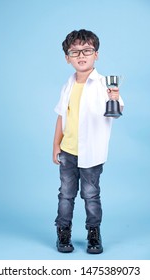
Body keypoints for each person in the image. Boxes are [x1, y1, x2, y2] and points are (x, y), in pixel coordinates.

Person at [52, 29, 124, 254]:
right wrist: (56, 145)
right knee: (66, 194)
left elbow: (116, 110)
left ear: (96, 54)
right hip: (68, 152)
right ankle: (63, 231)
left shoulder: (105, 84)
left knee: (91, 195)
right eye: (75, 52)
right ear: (67, 58)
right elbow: (61, 115)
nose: (81, 55)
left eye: (87, 50)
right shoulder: (68, 84)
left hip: (92, 153)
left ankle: (94, 233)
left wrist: (114, 98)